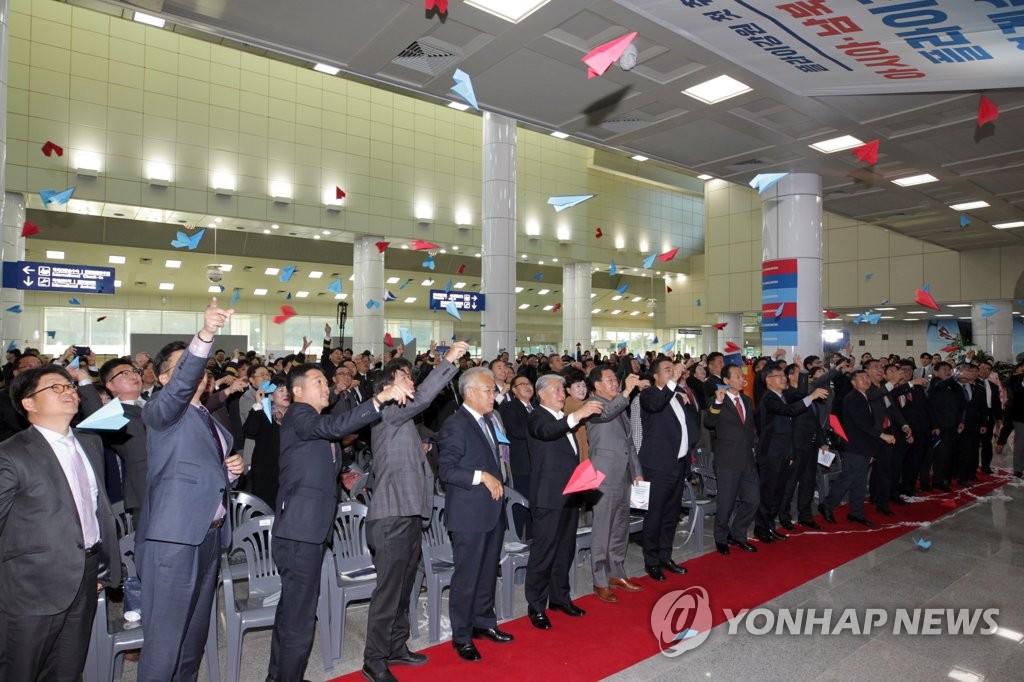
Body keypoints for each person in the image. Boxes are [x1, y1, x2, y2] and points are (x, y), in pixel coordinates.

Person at [267, 364, 410, 682]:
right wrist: (379, 399)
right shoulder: (299, 414)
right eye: (317, 380)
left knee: (293, 610)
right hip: (299, 530)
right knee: (299, 617)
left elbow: (333, 431)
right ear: (298, 392)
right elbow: (336, 426)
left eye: (325, 380)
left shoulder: (314, 421)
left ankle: (280, 676)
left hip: (309, 529)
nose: (325, 384)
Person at [135, 299, 246, 681]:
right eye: (182, 368)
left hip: (210, 537)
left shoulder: (207, 416)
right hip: (174, 539)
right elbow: (182, 384)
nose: (195, 372)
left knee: (193, 642)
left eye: (198, 365)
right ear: (165, 379)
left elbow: (199, 473)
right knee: (165, 643)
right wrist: (206, 335)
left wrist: (230, 472)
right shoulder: (161, 411)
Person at [0, 365, 122, 681]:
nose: (69, 391)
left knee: (68, 669)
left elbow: (95, 509)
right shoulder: (11, 454)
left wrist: (101, 565)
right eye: (55, 387)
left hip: (86, 574)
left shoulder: (90, 442)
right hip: (31, 587)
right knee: (22, 671)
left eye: (69, 386)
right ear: (29, 403)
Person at [362, 342, 467, 682]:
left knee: (405, 586)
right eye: (405, 377)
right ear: (386, 388)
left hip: (407, 514)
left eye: (410, 376)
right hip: (391, 516)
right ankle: (373, 660)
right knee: (389, 591)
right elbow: (423, 397)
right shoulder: (387, 410)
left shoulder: (405, 421)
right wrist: (447, 361)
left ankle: (396, 646)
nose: (412, 383)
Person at [437, 367, 515, 662]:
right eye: (488, 390)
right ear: (470, 392)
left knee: (487, 572)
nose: (494, 395)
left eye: (494, 390)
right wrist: (481, 475)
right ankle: (462, 636)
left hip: (491, 510)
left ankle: (484, 622)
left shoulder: (488, 420)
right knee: (467, 576)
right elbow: (447, 470)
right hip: (469, 513)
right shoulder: (456, 424)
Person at [523, 373, 603, 630]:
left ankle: (559, 598)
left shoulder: (562, 419)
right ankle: (536, 606)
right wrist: (576, 416)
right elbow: (546, 433)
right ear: (542, 393)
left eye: (562, 389)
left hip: (570, 493)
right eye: (556, 390)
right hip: (548, 497)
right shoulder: (538, 417)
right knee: (543, 553)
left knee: (565, 550)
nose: (561, 394)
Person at [585, 365, 646, 602]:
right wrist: (626, 393)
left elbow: (629, 444)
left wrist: (637, 472)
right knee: (602, 530)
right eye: (609, 380)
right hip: (603, 478)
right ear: (596, 384)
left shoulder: (619, 407)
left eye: (615, 380)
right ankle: (600, 580)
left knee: (620, 528)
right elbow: (606, 414)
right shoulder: (593, 406)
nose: (615, 383)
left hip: (623, 476)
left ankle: (616, 573)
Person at [637, 358, 699, 581]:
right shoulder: (649, 394)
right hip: (657, 466)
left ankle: (665, 556)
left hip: (678, 464)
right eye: (667, 370)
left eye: (673, 369)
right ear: (655, 376)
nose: (672, 373)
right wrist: (673, 383)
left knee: (671, 515)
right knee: (655, 514)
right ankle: (651, 561)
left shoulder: (676, 396)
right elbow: (656, 405)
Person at [753, 366, 827, 543]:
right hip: (771, 453)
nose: (783, 378)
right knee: (768, 493)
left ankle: (770, 526)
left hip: (784, 452)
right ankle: (761, 529)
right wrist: (812, 396)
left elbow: (800, 394)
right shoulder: (769, 398)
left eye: (783, 375)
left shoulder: (783, 396)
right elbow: (790, 411)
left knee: (778, 493)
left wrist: (802, 371)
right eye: (778, 376)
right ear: (768, 380)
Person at [819, 370, 895, 527]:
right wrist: (882, 436)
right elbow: (862, 424)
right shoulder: (852, 398)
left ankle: (856, 513)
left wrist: (872, 449)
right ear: (853, 382)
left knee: (859, 482)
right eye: (862, 378)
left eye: (867, 377)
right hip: (855, 447)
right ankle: (827, 506)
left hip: (864, 447)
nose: (866, 380)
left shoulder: (865, 397)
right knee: (847, 479)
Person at [704, 364, 759, 554]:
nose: (741, 378)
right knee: (726, 503)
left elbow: (750, 429)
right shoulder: (717, 399)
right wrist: (717, 404)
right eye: (736, 376)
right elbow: (709, 422)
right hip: (727, 460)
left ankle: (738, 533)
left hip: (747, 459)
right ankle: (721, 537)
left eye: (741, 375)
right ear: (726, 381)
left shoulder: (746, 399)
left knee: (753, 499)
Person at [241, 374, 289, 507]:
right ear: (271, 396)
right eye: (281, 390)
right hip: (266, 472)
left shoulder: (295, 415)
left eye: (288, 390)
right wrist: (258, 403)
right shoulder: (263, 413)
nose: (286, 394)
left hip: (289, 471)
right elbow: (250, 431)